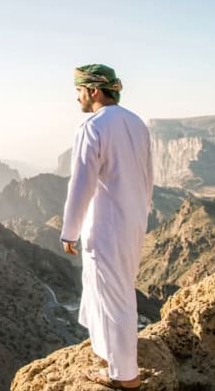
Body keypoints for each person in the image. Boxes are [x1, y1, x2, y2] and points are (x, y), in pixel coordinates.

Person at [60, 64, 153, 390]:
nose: (77, 98)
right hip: (132, 223)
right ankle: (108, 355)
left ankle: (124, 376)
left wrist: (69, 230)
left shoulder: (92, 126)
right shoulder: (136, 123)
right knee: (109, 290)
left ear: (94, 90)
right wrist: (141, 214)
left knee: (113, 300)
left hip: (105, 227)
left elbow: (81, 184)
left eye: (79, 91)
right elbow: (148, 176)